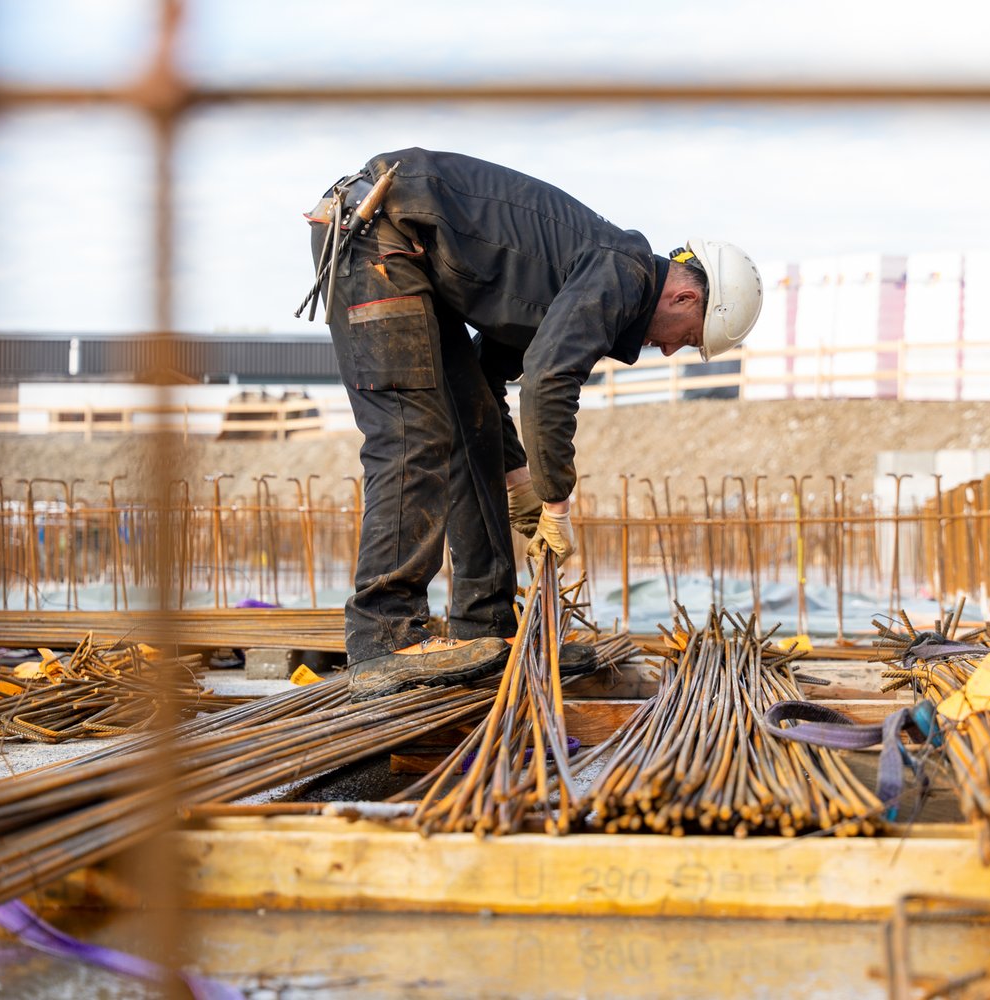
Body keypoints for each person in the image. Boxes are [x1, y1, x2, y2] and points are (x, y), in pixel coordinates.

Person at [304, 148, 763, 700]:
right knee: (412, 435)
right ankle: (383, 636)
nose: (668, 351)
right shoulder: (621, 273)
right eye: (686, 337)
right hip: (378, 237)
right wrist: (555, 503)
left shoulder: (585, 273)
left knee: (469, 432)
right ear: (687, 295)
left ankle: (485, 630)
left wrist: (519, 475)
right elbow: (548, 380)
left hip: (409, 251)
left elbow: (486, 381)